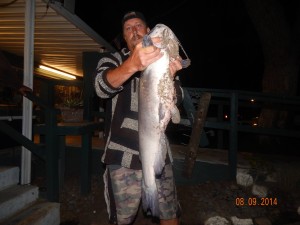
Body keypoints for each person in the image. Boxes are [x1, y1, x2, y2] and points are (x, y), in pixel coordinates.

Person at [94, 11, 184, 225]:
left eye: (139, 26)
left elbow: (177, 98)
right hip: (121, 155)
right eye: (128, 28)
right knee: (123, 219)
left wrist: (170, 77)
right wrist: (132, 65)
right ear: (124, 37)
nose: (134, 30)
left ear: (147, 31)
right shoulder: (112, 59)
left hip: (159, 153)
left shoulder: (163, 60)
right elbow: (100, 87)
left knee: (170, 214)